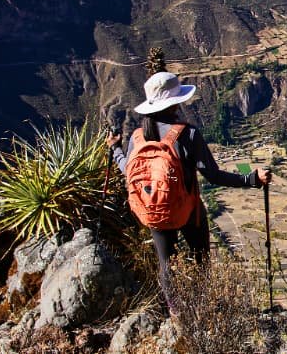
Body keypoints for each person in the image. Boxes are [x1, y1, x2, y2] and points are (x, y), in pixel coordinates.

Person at [106, 71, 271, 305]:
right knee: (201, 262)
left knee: (167, 267)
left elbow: (128, 170)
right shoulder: (188, 134)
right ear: (175, 103)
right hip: (188, 212)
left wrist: (115, 149)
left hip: (154, 211)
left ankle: (175, 313)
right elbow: (213, 175)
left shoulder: (137, 137)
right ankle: (203, 308)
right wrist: (252, 179)